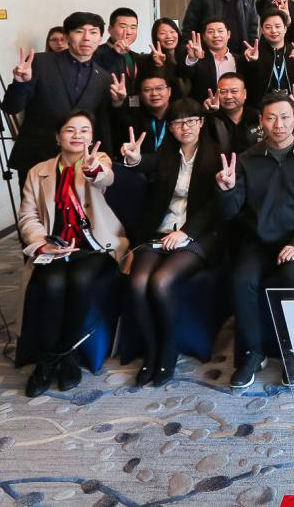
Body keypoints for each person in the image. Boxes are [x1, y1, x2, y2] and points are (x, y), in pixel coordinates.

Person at [217, 93, 294, 388]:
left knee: (293, 279)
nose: (278, 124)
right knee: (241, 280)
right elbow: (231, 211)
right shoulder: (247, 158)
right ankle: (252, 352)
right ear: (261, 121)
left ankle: (292, 350)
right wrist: (227, 190)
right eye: (271, 118)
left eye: (284, 117)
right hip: (259, 239)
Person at [17, 111, 128, 397]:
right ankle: (47, 360)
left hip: (94, 247)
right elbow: (28, 216)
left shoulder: (98, 160)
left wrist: (92, 169)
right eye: (70, 130)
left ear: (92, 136)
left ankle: (65, 354)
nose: (77, 135)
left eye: (84, 130)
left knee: (80, 280)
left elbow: (104, 177)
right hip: (55, 249)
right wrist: (41, 243)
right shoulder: (38, 171)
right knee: (51, 283)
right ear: (58, 137)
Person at [120, 99, 223, 387]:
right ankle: (151, 351)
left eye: (191, 121)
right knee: (138, 283)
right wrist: (133, 159)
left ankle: (168, 351)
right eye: (178, 122)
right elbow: (143, 163)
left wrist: (186, 232)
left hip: (199, 235)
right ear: (171, 128)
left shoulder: (217, 156)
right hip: (160, 232)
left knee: (161, 281)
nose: (185, 127)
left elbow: (214, 206)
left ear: (201, 123)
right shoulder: (166, 155)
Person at [4, 12, 114, 187]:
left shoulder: (104, 77)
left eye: (93, 32)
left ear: (100, 38)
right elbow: (11, 107)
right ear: (68, 36)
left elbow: (102, 124)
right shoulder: (40, 62)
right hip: (36, 157)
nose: (87, 38)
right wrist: (20, 84)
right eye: (79, 31)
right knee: (35, 205)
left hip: (80, 164)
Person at [243, 9, 294, 106]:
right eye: (268, 27)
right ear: (262, 30)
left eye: (278, 26)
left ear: (285, 29)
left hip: (292, 107)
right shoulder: (254, 52)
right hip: (262, 109)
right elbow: (247, 84)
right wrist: (250, 62)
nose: (273, 31)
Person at [178, 19, 244, 103]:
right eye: (210, 32)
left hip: (233, 107)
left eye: (220, 31)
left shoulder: (240, 60)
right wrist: (192, 59)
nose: (216, 35)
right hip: (204, 107)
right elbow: (183, 74)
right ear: (204, 37)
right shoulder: (198, 59)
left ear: (228, 34)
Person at [110, 72, 171, 157]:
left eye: (159, 88)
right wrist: (118, 102)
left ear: (169, 91)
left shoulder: (179, 115)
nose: (154, 93)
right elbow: (118, 121)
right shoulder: (134, 118)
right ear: (140, 95)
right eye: (147, 90)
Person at [93, 7, 146, 99]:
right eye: (123, 27)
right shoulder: (95, 53)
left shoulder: (135, 56)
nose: (128, 32)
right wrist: (114, 53)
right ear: (110, 29)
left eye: (133, 27)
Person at [203, 72, 262, 154]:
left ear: (244, 94)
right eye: (223, 92)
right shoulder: (210, 118)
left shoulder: (257, 117)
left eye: (234, 91)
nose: (228, 96)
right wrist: (208, 113)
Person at [140, 18, 184, 92]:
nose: (169, 36)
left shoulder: (187, 55)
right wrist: (159, 66)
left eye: (172, 32)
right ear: (156, 37)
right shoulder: (152, 60)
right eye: (162, 33)